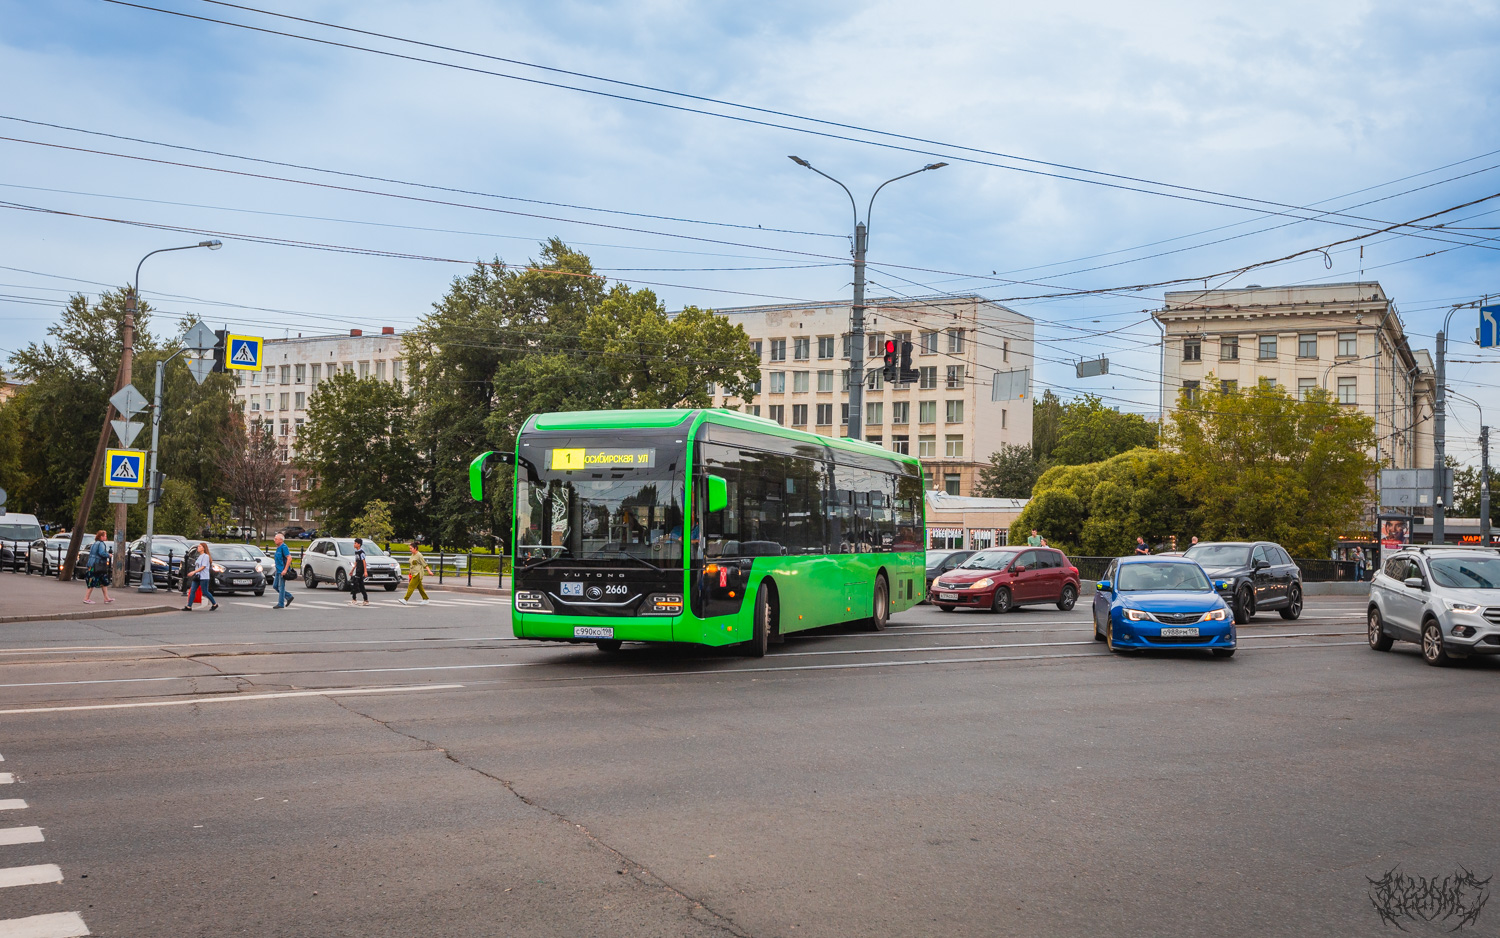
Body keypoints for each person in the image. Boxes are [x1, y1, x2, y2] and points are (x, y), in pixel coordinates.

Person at [184, 542, 217, 612]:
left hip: (203, 577)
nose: (198, 548)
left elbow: (203, 567)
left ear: (203, 548)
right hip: (197, 576)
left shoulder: (206, 556)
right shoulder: (199, 556)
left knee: (205, 592)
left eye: (199, 546)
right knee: (193, 590)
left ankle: (214, 604)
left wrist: (193, 572)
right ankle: (189, 606)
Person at [82, 530, 113, 604]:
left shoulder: (94, 543)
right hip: (97, 565)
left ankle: (106, 598)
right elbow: (101, 553)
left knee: (103, 581)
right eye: (105, 536)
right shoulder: (101, 544)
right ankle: (86, 598)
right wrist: (108, 555)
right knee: (92, 581)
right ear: (101, 537)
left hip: (92, 564)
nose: (106, 537)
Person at [271, 533, 295, 609]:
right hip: (278, 570)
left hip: (282, 571)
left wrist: (285, 570)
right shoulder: (278, 547)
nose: (274, 540)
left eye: (276, 539)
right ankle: (289, 596)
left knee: (281, 587)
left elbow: (289, 558)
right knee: (275, 586)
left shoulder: (284, 547)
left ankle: (281, 604)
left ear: (281, 540)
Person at [348, 537, 370, 606]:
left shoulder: (361, 552)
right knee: (361, 585)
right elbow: (356, 562)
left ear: (359, 544)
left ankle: (354, 599)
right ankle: (365, 600)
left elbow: (364, 562)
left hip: (361, 570)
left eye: (355, 543)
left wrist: (365, 571)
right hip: (357, 569)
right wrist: (352, 570)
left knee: (354, 584)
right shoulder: (356, 552)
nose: (354, 544)